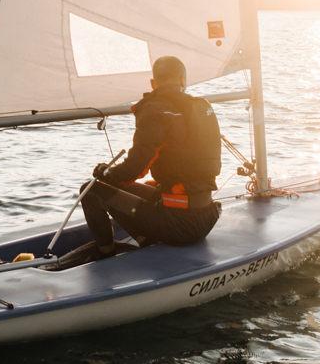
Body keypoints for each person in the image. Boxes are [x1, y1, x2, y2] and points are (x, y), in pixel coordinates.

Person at [81, 55, 223, 257]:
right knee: (129, 185)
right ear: (183, 80)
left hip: (180, 225)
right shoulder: (203, 107)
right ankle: (146, 242)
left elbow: (135, 169)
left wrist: (108, 173)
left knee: (90, 191)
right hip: (207, 216)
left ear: (153, 83)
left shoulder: (153, 109)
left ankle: (106, 255)